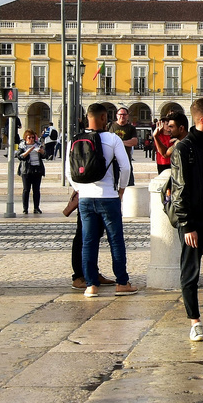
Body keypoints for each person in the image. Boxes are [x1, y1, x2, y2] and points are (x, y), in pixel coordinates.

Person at [72, 104, 136, 296]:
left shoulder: (75, 139)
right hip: (108, 196)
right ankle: (122, 283)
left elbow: (69, 172)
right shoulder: (112, 138)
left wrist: (81, 189)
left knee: (88, 241)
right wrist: (121, 190)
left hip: (85, 198)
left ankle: (91, 285)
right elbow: (125, 167)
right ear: (103, 118)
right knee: (115, 240)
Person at [167, 99, 203, 339]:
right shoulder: (183, 148)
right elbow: (179, 189)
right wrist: (187, 225)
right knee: (190, 271)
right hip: (193, 219)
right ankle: (194, 322)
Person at [16, 129, 46, 214]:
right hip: (26, 170)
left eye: (33, 137)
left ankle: (36, 208)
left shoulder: (38, 145)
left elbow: (44, 156)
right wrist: (29, 151)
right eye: (29, 137)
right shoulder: (22, 146)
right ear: (25, 138)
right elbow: (20, 157)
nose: (31, 139)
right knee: (26, 190)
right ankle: (25, 208)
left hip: (37, 169)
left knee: (36, 190)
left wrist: (42, 152)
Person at [111, 107, 138, 185]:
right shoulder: (110, 126)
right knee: (113, 183)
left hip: (126, 158)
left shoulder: (131, 128)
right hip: (112, 159)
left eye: (124, 114)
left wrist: (119, 143)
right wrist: (126, 142)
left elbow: (134, 142)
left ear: (127, 116)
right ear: (117, 115)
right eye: (120, 114)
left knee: (129, 183)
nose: (122, 116)